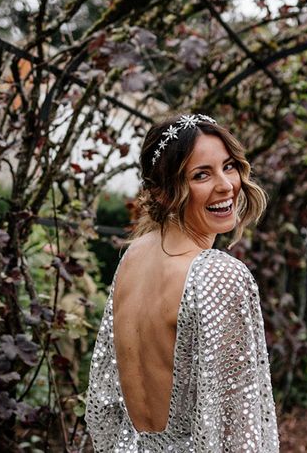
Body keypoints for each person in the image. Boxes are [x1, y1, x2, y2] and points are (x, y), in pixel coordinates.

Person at [85, 113, 279, 452]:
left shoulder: (132, 259)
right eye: (201, 174)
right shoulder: (218, 275)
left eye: (229, 166)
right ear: (163, 193)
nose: (226, 185)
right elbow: (238, 424)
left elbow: (105, 403)